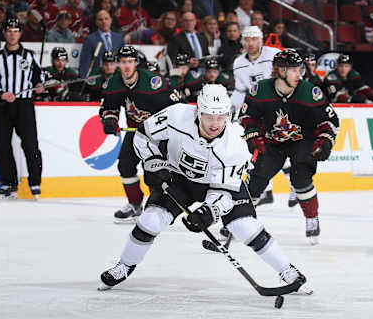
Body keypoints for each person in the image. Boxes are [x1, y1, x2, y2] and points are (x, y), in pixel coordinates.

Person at [98, 84, 310, 293]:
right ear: (198, 110)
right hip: (177, 178)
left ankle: (287, 270)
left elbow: (224, 194)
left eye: (220, 117)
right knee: (151, 219)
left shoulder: (235, 143)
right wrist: (153, 162)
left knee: (244, 227)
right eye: (209, 116)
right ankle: (124, 266)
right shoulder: (176, 115)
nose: (215, 123)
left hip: (218, 187)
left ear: (228, 115)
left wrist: (209, 212)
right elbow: (144, 135)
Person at [239, 49, 340, 245]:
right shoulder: (259, 90)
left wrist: (325, 140)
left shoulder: (310, 92)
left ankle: (312, 218)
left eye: (299, 69)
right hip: (271, 141)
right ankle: (240, 221)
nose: (298, 74)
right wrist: (253, 135)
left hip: (303, 141)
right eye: (293, 70)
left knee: (300, 178)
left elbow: (330, 121)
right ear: (280, 71)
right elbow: (246, 117)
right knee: (255, 182)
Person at [99, 45, 181, 223]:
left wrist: (169, 132)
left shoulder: (152, 82)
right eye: (123, 62)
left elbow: (175, 107)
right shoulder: (113, 83)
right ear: (118, 64)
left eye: (130, 62)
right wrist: (110, 120)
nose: (126, 66)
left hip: (157, 135)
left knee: (155, 172)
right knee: (125, 167)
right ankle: (135, 205)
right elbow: (108, 107)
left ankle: (158, 209)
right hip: (135, 131)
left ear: (136, 63)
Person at [230, 25, 296, 208]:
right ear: (243, 42)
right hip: (257, 110)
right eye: (247, 40)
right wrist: (231, 109)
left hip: (279, 109)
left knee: (277, 149)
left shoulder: (274, 55)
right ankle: (268, 190)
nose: (251, 43)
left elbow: (293, 73)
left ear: (261, 40)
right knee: (260, 150)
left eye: (254, 39)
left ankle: (292, 185)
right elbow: (240, 90)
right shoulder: (238, 63)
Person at [0, 19, 45, 200]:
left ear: (20, 33)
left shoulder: (30, 56)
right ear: (4, 33)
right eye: (9, 30)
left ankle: (35, 181)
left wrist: (40, 85)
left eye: (16, 30)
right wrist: (1, 93)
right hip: (3, 105)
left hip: (24, 105)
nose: (12, 34)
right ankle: (9, 183)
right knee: (2, 145)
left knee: (31, 144)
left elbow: (40, 77)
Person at [79, 10, 124, 78]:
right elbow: (85, 62)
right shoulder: (90, 39)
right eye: (100, 19)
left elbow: (123, 60)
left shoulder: (119, 38)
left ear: (111, 20)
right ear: (96, 22)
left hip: (116, 79)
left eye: (106, 19)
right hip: (98, 78)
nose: (104, 22)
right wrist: (84, 80)